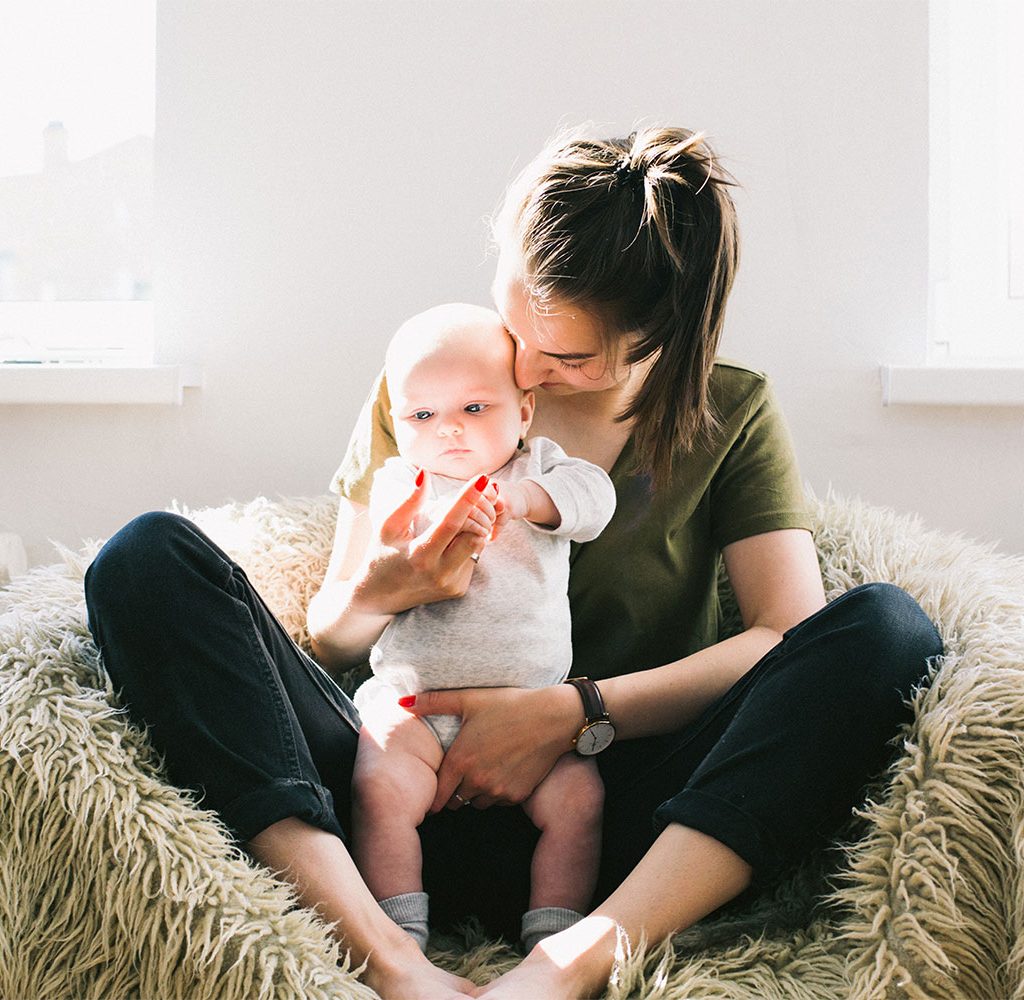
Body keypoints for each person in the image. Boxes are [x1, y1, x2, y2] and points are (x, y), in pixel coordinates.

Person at [83, 124, 943, 1000]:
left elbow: (782, 636)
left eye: (568, 356)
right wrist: (386, 590)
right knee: (146, 560)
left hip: (612, 821)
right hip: (389, 791)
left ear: (657, 336)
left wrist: (573, 714)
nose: (524, 368)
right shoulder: (435, 381)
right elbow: (332, 641)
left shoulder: (731, 410)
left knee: (889, 631)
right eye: (514, 316)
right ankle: (381, 954)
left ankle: (574, 962)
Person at [349, 302, 615, 956]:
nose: (448, 430)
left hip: (532, 715)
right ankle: (399, 936)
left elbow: (595, 501)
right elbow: (386, 532)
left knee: (580, 802)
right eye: (421, 415)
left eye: (474, 408)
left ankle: (552, 937)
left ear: (523, 412)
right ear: (395, 422)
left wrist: (523, 500)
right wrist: (408, 524)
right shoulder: (403, 480)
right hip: (415, 708)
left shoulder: (538, 469)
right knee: (377, 790)